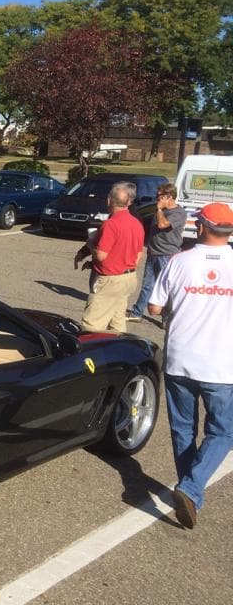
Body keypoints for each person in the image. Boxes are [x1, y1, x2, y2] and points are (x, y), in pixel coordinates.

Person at [147, 202, 233, 529]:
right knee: (223, 431)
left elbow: (154, 307)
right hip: (223, 363)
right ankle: (191, 488)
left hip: (181, 357)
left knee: (183, 428)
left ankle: (189, 489)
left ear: (200, 227)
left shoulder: (178, 262)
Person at [79, 182, 144, 333]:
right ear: (128, 202)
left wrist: (90, 244)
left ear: (108, 200)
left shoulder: (110, 224)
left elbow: (101, 255)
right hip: (129, 277)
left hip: (110, 280)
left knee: (91, 325)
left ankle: (91, 353)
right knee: (117, 321)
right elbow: (137, 256)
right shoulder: (136, 223)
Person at [126, 183, 186, 321]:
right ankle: (137, 313)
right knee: (147, 285)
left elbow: (163, 225)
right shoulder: (160, 210)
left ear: (168, 197)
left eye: (158, 196)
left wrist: (159, 210)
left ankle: (167, 317)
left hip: (167, 254)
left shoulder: (178, 213)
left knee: (167, 288)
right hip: (153, 253)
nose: (156, 198)